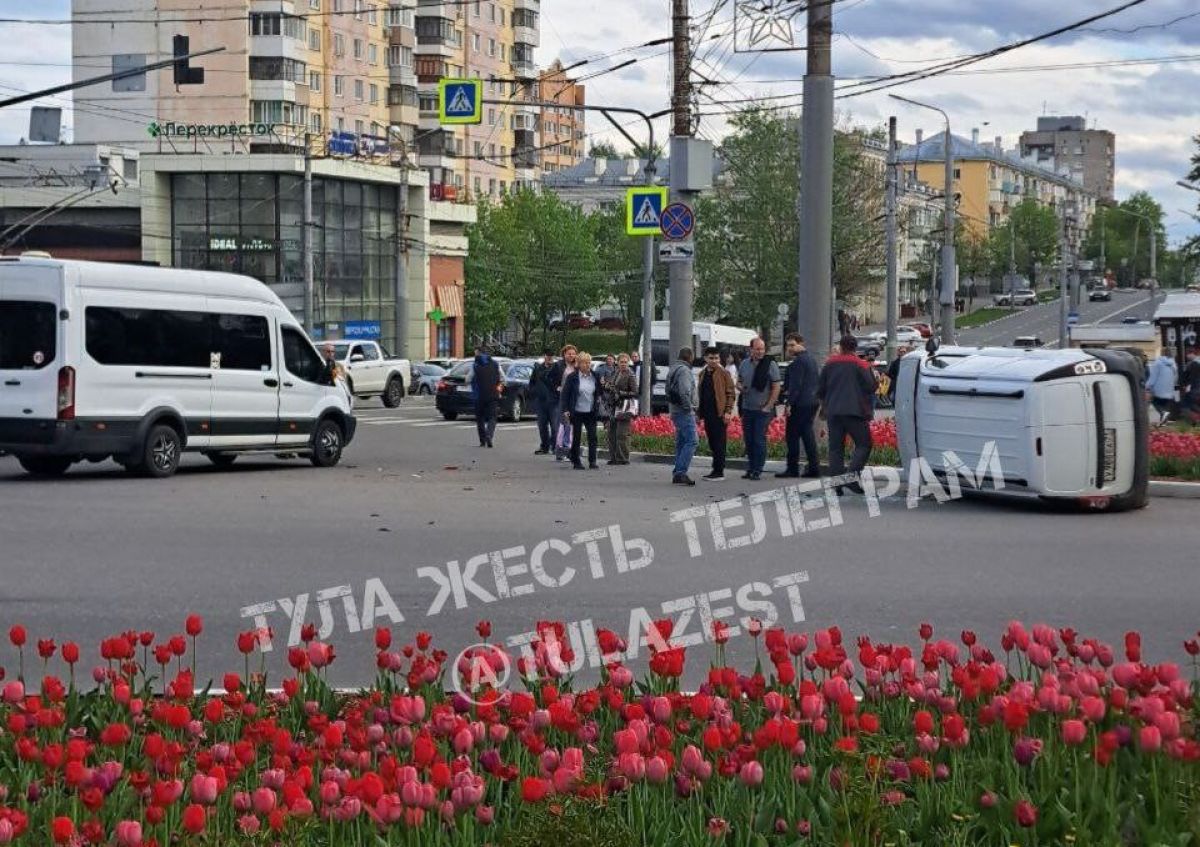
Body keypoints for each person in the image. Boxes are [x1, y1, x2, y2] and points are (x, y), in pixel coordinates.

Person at [818, 335, 878, 494]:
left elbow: (820, 389)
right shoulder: (861, 364)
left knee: (836, 448)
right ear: (855, 348)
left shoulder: (829, 364)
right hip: (855, 412)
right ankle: (851, 478)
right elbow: (871, 387)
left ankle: (836, 485)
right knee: (864, 444)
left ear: (842, 347)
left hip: (833, 411)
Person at [776, 333, 820, 479]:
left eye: (792, 345)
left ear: (801, 344)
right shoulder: (811, 360)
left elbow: (795, 386)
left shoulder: (798, 363)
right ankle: (814, 467)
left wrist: (789, 404)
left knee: (792, 436)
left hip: (800, 404)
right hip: (812, 402)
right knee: (807, 435)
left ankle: (792, 468)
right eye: (788, 345)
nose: (789, 348)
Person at [736, 337, 781, 481]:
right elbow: (739, 380)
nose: (760, 351)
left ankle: (758, 469)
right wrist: (739, 386)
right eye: (757, 349)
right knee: (749, 440)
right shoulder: (744, 364)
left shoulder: (770, 364)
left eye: (762, 349)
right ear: (751, 350)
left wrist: (769, 405)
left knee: (758, 440)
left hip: (762, 410)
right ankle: (750, 468)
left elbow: (776, 386)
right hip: (747, 407)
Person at [697, 346, 736, 481]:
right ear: (705, 359)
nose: (714, 361)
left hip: (719, 413)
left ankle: (719, 471)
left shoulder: (723, 373)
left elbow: (730, 393)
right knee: (712, 442)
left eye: (716, 358)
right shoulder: (702, 373)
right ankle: (715, 469)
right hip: (707, 413)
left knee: (719, 442)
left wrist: (727, 411)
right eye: (711, 358)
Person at [560, 351, 600, 470]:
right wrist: (565, 410)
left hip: (591, 411)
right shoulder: (572, 377)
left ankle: (592, 461)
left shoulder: (595, 376)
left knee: (592, 437)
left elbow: (599, 391)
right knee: (576, 437)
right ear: (579, 364)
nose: (587, 365)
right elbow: (565, 395)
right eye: (584, 363)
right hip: (576, 411)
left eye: (589, 363)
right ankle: (576, 461)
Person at [667, 347, 698, 485]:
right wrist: (689, 407)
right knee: (692, 440)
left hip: (675, 409)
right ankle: (680, 472)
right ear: (690, 357)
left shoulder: (673, 368)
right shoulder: (685, 371)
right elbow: (685, 391)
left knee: (681, 441)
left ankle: (677, 472)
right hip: (683, 411)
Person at [605, 354, 639, 465]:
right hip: (614, 406)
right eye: (621, 362)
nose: (623, 364)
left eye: (625, 362)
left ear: (628, 363)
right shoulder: (616, 372)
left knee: (622, 433)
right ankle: (613, 457)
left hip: (625, 406)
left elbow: (635, 392)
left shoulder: (631, 375)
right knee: (612, 433)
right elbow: (612, 386)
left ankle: (623, 458)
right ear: (617, 362)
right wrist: (606, 386)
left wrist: (621, 393)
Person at [548, 345, 578, 460]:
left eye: (573, 353)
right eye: (569, 353)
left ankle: (569, 450)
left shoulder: (577, 366)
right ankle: (560, 450)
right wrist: (556, 387)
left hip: (574, 399)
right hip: (561, 398)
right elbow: (549, 377)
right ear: (564, 354)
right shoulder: (558, 365)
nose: (571, 356)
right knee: (563, 424)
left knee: (571, 425)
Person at [471, 346, 502, 448]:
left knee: (480, 419)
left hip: (479, 396)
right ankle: (489, 435)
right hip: (493, 395)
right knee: (492, 417)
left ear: (479, 353)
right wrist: (498, 389)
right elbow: (502, 379)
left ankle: (482, 440)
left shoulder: (475, 365)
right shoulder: (495, 364)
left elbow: (468, 378)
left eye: (475, 353)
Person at [530, 349, 557, 453]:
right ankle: (544, 446)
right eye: (547, 355)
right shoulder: (538, 368)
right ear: (544, 356)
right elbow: (532, 382)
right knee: (542, 425)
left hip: (553, 401)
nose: (549, 358)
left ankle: (554, 445)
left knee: (554, 426)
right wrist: (534, 391)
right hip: (540, 401)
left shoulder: (556, 368)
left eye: (551, 356)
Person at [1145, 347, 1178, 425]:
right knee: (1165, 405)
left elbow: (1153, 376)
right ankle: (1163, 423)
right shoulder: (1173, 364)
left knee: (1154, 402)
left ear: (1161, 353)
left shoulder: (1158, 363)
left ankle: (1162, 414)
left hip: (1158, 389)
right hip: (1169, 389)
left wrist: (1148, 386)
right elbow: (1176, 377)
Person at [1180, 346, 1200, 424]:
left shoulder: (1195, 363)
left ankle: (1194, 421)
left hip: (1195, 388)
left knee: (1186, 404)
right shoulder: (1195, 362)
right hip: (1196, 388)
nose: (1186, 356)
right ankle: (1194, 420)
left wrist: (1188, 386)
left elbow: (1192, 377)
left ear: (1192, 353)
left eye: (1187, 354)